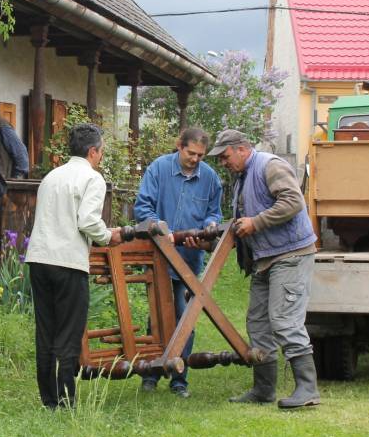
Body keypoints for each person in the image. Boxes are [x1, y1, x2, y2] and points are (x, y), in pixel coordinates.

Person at [209, 129, 320, 409]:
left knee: (284, 320)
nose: (223, 162)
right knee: (257, 322)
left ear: (242, 149)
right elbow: (245, 220)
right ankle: (263, 389)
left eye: (225, 156)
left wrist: (256, 223)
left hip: (290, 255)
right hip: (265, 258)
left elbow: (294, 202)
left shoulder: (270, 165)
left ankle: (308, 389)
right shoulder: (242, 178)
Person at [25, 123, 123, 409]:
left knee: (46, 331)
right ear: (93, 152)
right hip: (68, 261)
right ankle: (66, 402)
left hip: (39, 259)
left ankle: (48, 400)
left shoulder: (52, 177)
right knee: (69, 333)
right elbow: (88, 221)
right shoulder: (92, 178)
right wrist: (107, 236)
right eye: (101, 152)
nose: (101, 157)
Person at [133, 127, 223, 397]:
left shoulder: (210, 178)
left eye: (200, 155)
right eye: (191, 153)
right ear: (179, 146)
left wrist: (207, 229)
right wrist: (162, 229)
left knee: (186, 317)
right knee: (158, 318)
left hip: (189, 260)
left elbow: (213, 213)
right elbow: (142, 207)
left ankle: (179, 379)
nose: (195, 159)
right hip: (159, 258)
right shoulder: (158, 169)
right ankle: (151, 373)